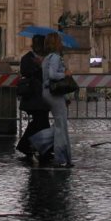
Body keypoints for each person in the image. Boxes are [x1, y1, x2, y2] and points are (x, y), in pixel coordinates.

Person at [33, 32, 73, 167]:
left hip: (48, 93)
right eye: (60, 41)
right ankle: (59, 156)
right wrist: (65, 73)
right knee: (61, 125)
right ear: (56, 43)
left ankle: (63, 157)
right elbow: (52, 75)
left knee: (60, 125)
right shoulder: (55, 57)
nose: (61, 43)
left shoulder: (46, 58)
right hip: (54, 94)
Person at [16, 34, 50, 158]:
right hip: (33, 97)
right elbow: (25, 72)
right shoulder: (27, 58)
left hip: (43, 96)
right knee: (40, 121)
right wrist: (38, 67)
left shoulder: (46, 58)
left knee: (42, 121)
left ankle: (42, 148)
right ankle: (27, 145)